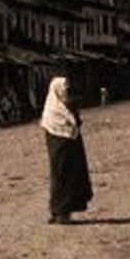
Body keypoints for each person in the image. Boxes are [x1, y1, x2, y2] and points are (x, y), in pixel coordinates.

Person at [40, 76, 93, 225]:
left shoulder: (65, 106)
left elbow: (75, 121)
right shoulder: (53, 112)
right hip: (59, 142)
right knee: (61, 173)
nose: (66, 93)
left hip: (69, 141)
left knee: (68, 173)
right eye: (65, 90)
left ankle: (59, 210)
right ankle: (61, 212)